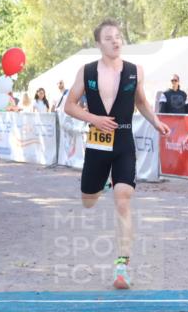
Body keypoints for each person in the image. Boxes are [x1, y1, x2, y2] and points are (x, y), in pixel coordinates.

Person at [63, 19, 171, 290]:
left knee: (123, 199)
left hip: (123, 140)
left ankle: (121, 266)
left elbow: (141, 102)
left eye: (118, 36)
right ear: (99, 44)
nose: (115, 41)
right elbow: (69, 106)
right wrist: (94, 119)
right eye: (109, 37)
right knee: (89, 200)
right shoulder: (86, 71)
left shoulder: (135, 71)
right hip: (98, 143)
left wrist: (156, 122)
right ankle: (101, 184)